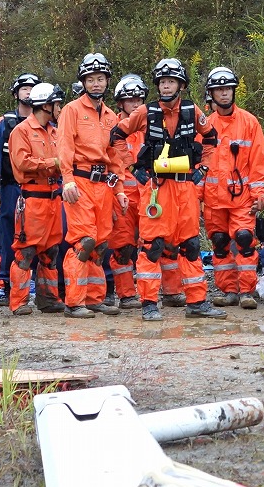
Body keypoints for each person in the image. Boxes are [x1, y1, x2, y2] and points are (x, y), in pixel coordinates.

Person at [115, 57, 225, 321]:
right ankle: (149, 303)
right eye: (162, 82)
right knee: (153, 245)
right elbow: (116, 137)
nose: (166, 86)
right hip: (156, 187)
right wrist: (133, 169)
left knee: (190, 244)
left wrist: (204, 168)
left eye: (171, 81)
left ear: (181, 85)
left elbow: (211, 137)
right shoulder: (144, 112)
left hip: (185, 185)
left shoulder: (192, 110)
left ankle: (197, 302)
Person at [56, 53, 125, 318]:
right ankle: (74, 302)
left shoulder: (110, 116)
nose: (96, 83)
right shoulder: (72, 110)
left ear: (107, 81)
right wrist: (68, 179)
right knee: (82, 242)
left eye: (100, 79)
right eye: (91, 79)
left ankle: (94, 298)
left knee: (100, 244)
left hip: (103, 185)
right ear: (83, 82)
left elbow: (115, 155)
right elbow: (64, 146)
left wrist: (119, 190)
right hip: (81, 182)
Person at [202, 66, 264, 309]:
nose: (224, 93)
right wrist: (195, 195)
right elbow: (199, 163)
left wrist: (259, 193)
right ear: (211, 93)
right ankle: (228, 290)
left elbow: (259, 161)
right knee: (219, 242)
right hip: (213, 199)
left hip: (242, 198)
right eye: (219, 89)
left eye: (228, 88)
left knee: (244, 239)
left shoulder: (249, 122)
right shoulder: (205, 125)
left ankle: (246, 291)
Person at [7, 83, 65, 315]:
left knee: (51, 251)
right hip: (32, 198)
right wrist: (53, 164)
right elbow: (22, 163)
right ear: (46, 105)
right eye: (57, 104)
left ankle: (48, 299)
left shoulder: (55, 131)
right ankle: (18, 302)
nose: (60, 108)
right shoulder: (21, 131)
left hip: (54, 199)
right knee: (26, 251)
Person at [0, 73, 41, 304]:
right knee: (10, 234)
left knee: (42, 235)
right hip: (11, 188)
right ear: (16, 93)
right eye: (24, 89)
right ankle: (8, 283)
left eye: (33, 88)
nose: (28, 92)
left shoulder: (47, 123)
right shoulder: (3, 123)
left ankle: (43, 284)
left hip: (39, 188)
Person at [104, 74, 148, 310]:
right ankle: (126, 295)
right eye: (130, 100)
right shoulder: (112, 129)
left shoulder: (151, 128)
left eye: (139, 99)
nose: (135, 104)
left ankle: (160, 291)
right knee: (123, 248)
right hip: (121, 198)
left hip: (148, 197)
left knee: (154, 246)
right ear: (120, 103)